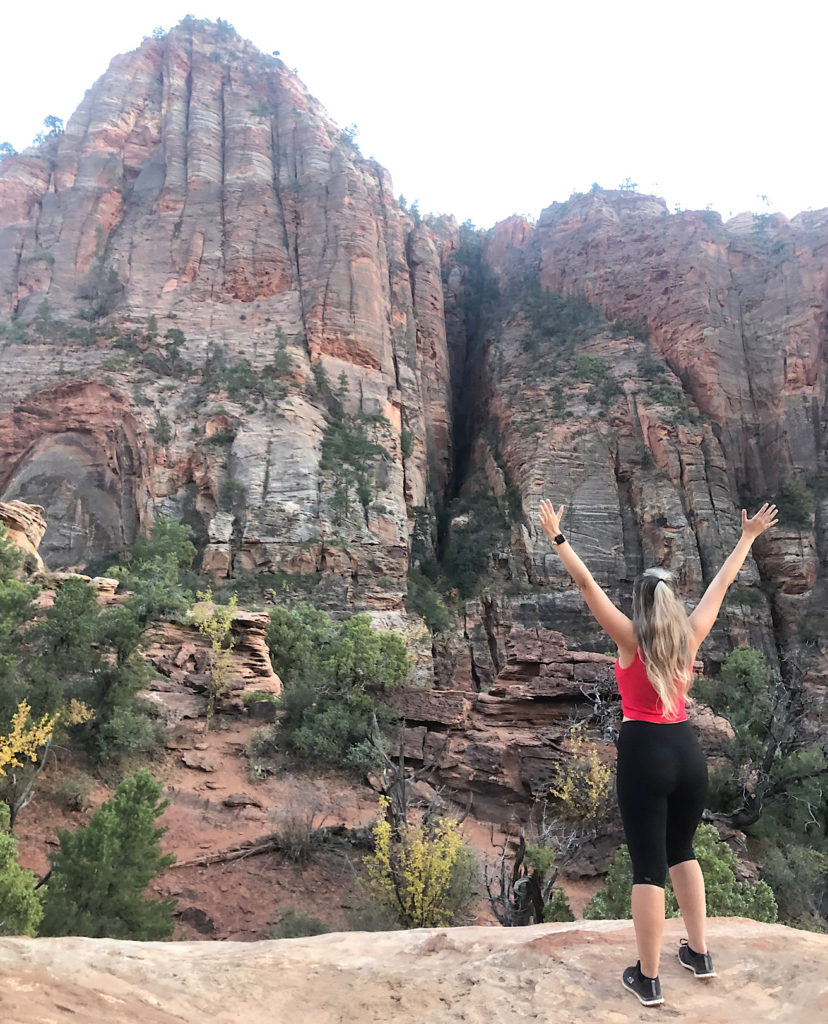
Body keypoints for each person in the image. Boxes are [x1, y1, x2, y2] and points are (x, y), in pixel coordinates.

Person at [537, 498, 778, 1007]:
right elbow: (722, 585)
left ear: (641, 605)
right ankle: (699, 952)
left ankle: (647, 978)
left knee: (648, 867)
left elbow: (586, 586)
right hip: (688, 750)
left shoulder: (629, 638)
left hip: (645, 750)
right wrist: (748, 537)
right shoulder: (690, 635)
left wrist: (558, 537)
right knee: (682, 851)